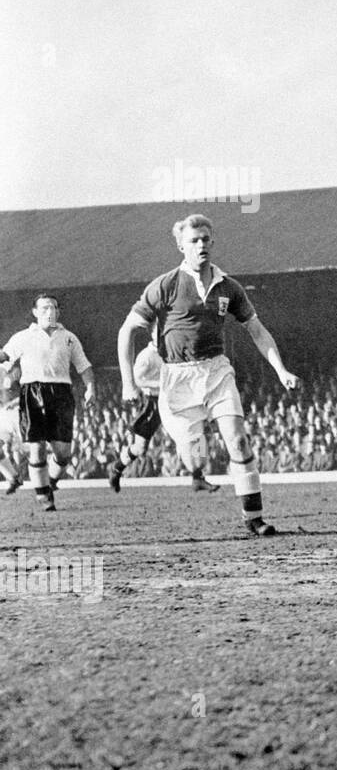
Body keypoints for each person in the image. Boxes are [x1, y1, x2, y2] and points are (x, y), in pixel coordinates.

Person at [117, 213, 298, 536]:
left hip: (215, 371)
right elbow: (127, 331)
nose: (201, 245)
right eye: (193, 240)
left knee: (238, 441)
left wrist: (281, 370)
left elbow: (257, 330)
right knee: (194, 455)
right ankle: (196, 470)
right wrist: (128, 382)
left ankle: (254, 518)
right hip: (177, 378)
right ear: (180, 246)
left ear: (212, 242)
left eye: (205, 239)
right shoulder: (165, 285)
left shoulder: (229, 287)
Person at [0, 293, 96, 511]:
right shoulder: (23, 336)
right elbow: (5, 355)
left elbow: (84, 366)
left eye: (53, 307)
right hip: (32, 391)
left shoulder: (69, 337)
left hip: (61, 391)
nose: (49, 312)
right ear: (35, 312)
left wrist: (91, 387)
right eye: (44, 308)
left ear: (59, 311)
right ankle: (44, 498)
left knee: (63, 453)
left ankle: (50, 482)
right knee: (37, 447)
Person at [108, 339, 220, 494]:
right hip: (153, 403)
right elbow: (138, 379)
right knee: (140, 448)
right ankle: (117, 468)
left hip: (175, 400)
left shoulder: (173, 349)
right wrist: (162, 385)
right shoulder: (146, 356)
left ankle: (198, 477)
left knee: (195, 433)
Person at [0, 364, 25, 496]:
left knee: (30, 449)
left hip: (17, 413)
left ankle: (47, 481)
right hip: (3, 414)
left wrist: (16, 402)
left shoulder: (12, 368)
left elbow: (28, 390)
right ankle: (13, 477)